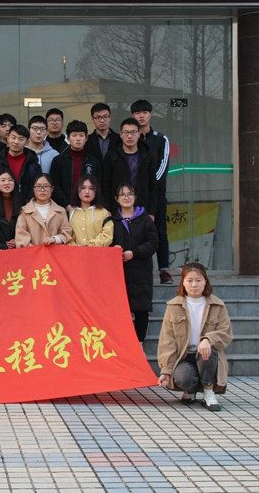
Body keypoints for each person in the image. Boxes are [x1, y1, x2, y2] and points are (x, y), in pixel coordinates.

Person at [157, 263, 233, 411]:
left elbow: (226, 333)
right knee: (183, 378)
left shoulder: (217, 305)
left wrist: (208, 339)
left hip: (207, 356)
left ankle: (208, 392)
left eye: (198, 280)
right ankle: (190, 390)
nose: (194, 285)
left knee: (207, 351)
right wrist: (166, 369)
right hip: (184, 357)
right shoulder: (173, 306)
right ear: (183, 283)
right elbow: (167, 340)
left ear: (205, 282)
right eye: (189, 280)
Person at [110, 182, 159, 347]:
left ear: (135, 197)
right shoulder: (112, 220)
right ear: (116, 199)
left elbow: (153, 243)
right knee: (119, 311)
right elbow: (106, 240)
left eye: (130, 194)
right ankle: (123, 346)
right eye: (122, 194)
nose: (126, 197)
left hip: (140, 271)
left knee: (141, 310)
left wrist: (134, 253)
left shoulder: (145, 220)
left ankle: (139, 345)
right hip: (118, 273)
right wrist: (113, 249)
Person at [131, 99, 173, 285]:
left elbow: (163, 167)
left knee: (159, 230)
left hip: (156, 194)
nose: (141, 116)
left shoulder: (160, 139)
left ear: (150, 115)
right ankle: (137, 270)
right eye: (138, 113)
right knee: (134, 232)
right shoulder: (129, 138)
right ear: (132, 115)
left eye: (145, 112)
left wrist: (148, 186)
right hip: (132, 196)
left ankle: (164, 270)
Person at [102, 117, 158, 218]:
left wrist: (152, 212)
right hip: (118, 210)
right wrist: (108, 209)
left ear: (139, 134)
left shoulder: (147, 155)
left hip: (142, 208)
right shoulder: (112, 156)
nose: (129, 136)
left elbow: (153, 185)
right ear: (121, 134)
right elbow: (105, 184)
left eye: (133, 132)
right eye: (126, 132)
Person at [50, 120, 102, 210]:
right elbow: (55, 185)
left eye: (81, 135)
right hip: (63, 208)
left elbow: (97, 186)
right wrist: (66, 205)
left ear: (86, 138)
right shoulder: (58, 161)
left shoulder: (94, 162)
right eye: (74, 135)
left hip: (88, 208)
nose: (78, 139)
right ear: (68, 138)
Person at [0, 124, 41, 202]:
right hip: (0, 205)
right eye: (13, 138)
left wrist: (26, 206)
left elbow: (35, 187)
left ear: (27, 142)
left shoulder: (32, 164)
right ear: (8, 139)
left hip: (25, 206)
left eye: (21, 139)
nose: (16, 142)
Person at [15, 173, 72, 247]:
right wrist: (36, 251)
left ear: (52, 189)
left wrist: (54, 239)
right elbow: (21, 237)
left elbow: (66, 233)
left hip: (54, 253)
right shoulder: (24, 211)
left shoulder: (61, 211)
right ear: (33, 189)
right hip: (32, 253)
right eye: (38, 186)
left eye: (46, 186)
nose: (42, 190)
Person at [68, 174, 113, 247]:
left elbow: (107, 235)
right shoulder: (71, 213)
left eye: (91, 188)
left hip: (97, 252)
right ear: (77, 190)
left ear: (96, 191)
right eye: (83, 188)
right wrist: (74, 245)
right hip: (76, 252)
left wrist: (92, 245)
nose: (87, 192)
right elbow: (66, 235)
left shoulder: (103, 212)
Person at [0, 169, 23, 251]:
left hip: (18, 251)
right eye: (3, 180)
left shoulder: (23, 205)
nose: (6, 183)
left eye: (10, 180)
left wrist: (18, 240)